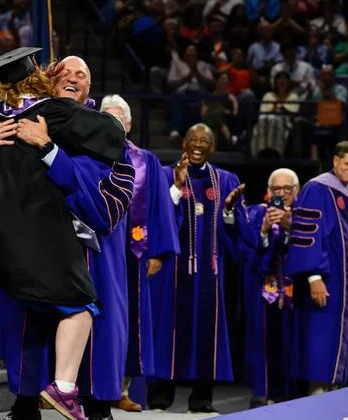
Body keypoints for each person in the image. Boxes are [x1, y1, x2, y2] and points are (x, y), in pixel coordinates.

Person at [0, 48, 131, 420]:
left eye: (80, 74)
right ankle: (25, 402)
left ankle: (95, 406)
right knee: (26, 324)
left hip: (89, 253)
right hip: (28, 246)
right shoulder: (20, 120)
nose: (71, 77)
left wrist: (49, 150)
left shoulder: (95, 132)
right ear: (47, 81)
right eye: (63, 71)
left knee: (89, 324)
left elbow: (110, 202)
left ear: (90, 87)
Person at [147, 123, 247, 414]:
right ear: (184, 144)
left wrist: (228, 211)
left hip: (210, 275)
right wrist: (176, 189)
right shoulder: (166, 175)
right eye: (192, 139)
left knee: (209, 334)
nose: (198, 144)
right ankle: (159, 398)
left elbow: (240, 233)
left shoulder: (226, 181)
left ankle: (202, 399)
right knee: (167, 331)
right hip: (172, 272)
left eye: (205, 141)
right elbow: (157, 216)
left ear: (213, 148)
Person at [99, 94, 180, 413]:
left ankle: (121, 387)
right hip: (100, 248)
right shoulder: (87, 154)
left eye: (118, 119)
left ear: (129, 124)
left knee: (131, 319)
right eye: (106, 117)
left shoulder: (146, 160)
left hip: (134, 254)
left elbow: (160, 209)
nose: (113, 124)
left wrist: (158, 252)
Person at [285, 140, 348, 396]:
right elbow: (307, 236)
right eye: (347, 163)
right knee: (321, 350)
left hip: (344, 287)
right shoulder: (318, 189)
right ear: (335, 161)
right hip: (327, 283)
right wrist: (314, 278)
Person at [242, 168, 300, 408]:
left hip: (295, 293)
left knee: (293, 344)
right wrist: (264, 230)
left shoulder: (305, 216)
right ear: (268, 192)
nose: (282, 194)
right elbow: (246, 250)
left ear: (297, 192)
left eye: (287, 189)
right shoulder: (256, 214)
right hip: (263, 291)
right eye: (277, 189)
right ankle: (262, 394)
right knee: (262, 343)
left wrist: (290, 227)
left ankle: (292, 397)